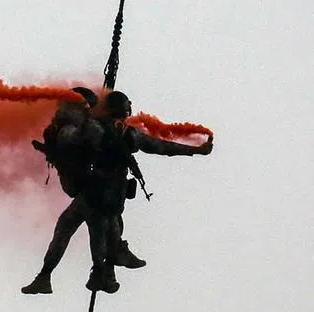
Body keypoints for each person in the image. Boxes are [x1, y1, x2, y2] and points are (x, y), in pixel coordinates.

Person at [22, 89, 213, 295]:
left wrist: (196, 150)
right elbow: (160, 147)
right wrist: (196, 150)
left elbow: (159, 146)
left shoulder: (103, 130)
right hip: (98, 194)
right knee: (84, 229)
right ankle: (83, 274)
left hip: (99, 196)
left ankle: (98, 274)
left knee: (90, 232)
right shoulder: (111, 131)